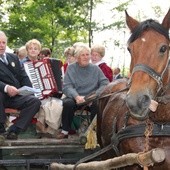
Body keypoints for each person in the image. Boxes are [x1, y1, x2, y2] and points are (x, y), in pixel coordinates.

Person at [55, 43, 109, 139]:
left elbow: (105, 83)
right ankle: (65, 131)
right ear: (77, 57)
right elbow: (67, 86)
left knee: (98, 104)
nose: (85, 57)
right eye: (82, 55)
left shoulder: (95, 68)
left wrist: (95, 95)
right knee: (68, 103)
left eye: (87, 54)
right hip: (76, 97)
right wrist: (76, 96)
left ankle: (94, 133)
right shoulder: (71, 68)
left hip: (92, 98)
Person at [0, 31, 41, 140]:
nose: (1, 45)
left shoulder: (13, 57)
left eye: (4, 42)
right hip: (2, 96)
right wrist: (6, 88)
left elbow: (23, 76)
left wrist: (28, 90)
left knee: (35, 101)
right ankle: (1, 130)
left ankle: (15, 130)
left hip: (16, 95)